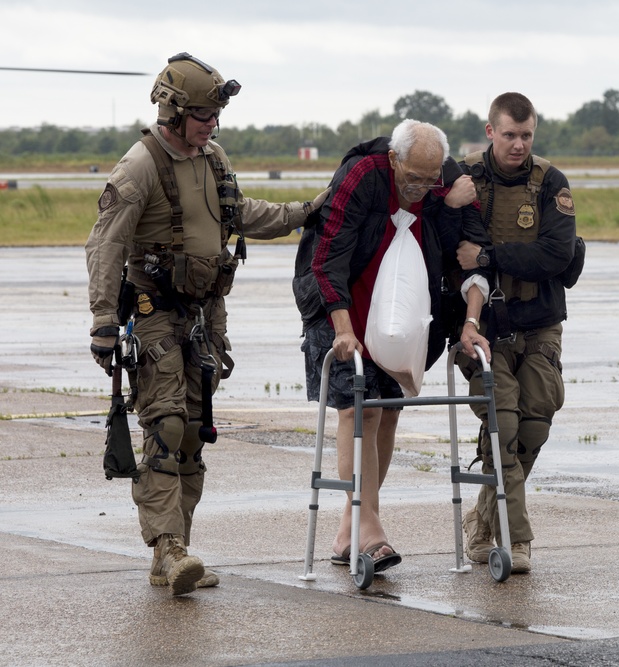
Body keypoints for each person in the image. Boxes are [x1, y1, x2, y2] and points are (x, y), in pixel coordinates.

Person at [85, 52, 328, 596]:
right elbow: (105, 245)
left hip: (205, 319)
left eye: (215, 115)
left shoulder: (213, 158)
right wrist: (104, 321)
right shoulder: (139, 166)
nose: (212, 124)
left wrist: (305, 211)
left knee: (194, 433)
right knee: (166, 428)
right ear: (172, 112)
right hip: (155, 316)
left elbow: (241, 212)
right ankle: (169, 550)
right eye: (203, 115)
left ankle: (177, 551)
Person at [293, 119, 491, 572]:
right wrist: (342, 328)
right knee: (357, 407)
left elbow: (471, 245)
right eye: (412, 178)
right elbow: (327, 259)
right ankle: (370, 527)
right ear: (394, 159)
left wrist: (469, 320)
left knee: (386, 413)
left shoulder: (444, 180)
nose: (420, 188)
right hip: (340, 301)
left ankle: (352, 528)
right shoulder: (365, 174)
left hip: (401, 312)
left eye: (431, 179)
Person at [455, 92, 579, 573]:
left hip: (542, 324)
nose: (518, 145)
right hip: (486, 329)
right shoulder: (467, 178)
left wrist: (489, 257)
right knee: (502, 429)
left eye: (526, 136)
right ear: (491, 132)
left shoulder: (551, 182)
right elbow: (453, 249)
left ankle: (481, 521)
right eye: (509, 135)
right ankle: (517, 539)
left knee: (534, 427)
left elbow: (557, 255)